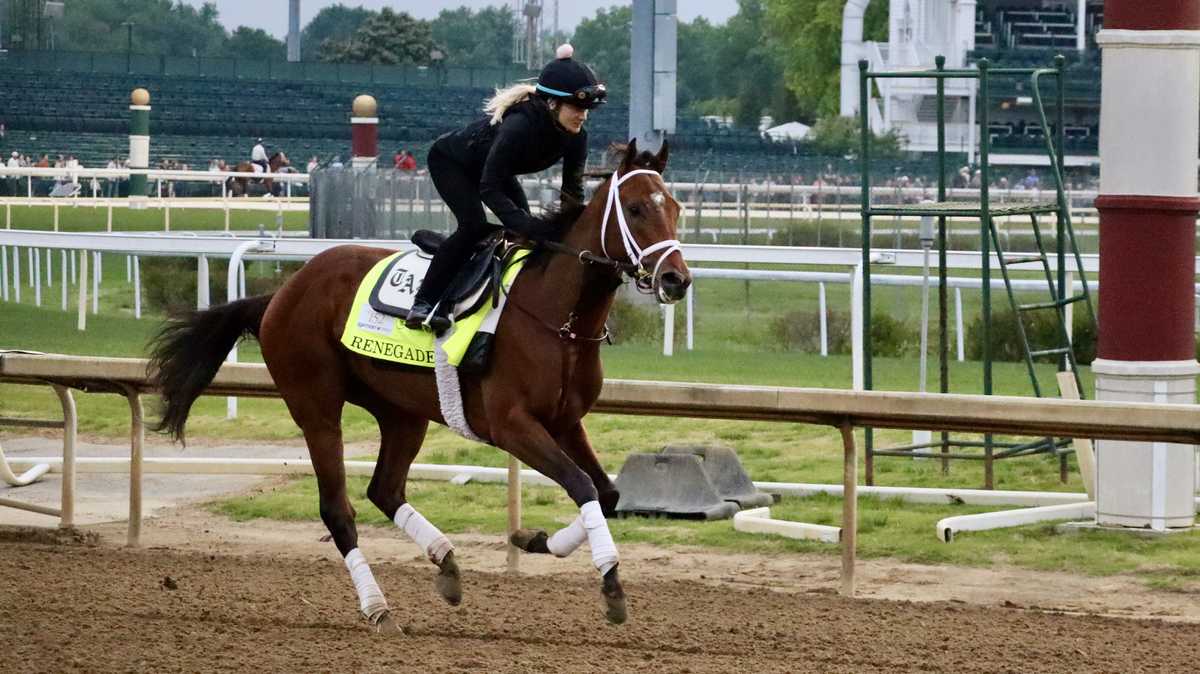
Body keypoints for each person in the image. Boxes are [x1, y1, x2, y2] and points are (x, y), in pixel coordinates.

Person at [404, 43, 606, 332]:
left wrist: (574, 231)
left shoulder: (578, 137)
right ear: (552, 103)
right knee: (473, 226)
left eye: (587, 109)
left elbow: (572, 193)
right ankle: (424, 302)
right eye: (577, 107)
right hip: (452, 162)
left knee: (525, 236)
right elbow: (489, 187)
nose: (583, 115)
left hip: (494, 172)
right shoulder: (519, 126)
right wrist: (526, 224)